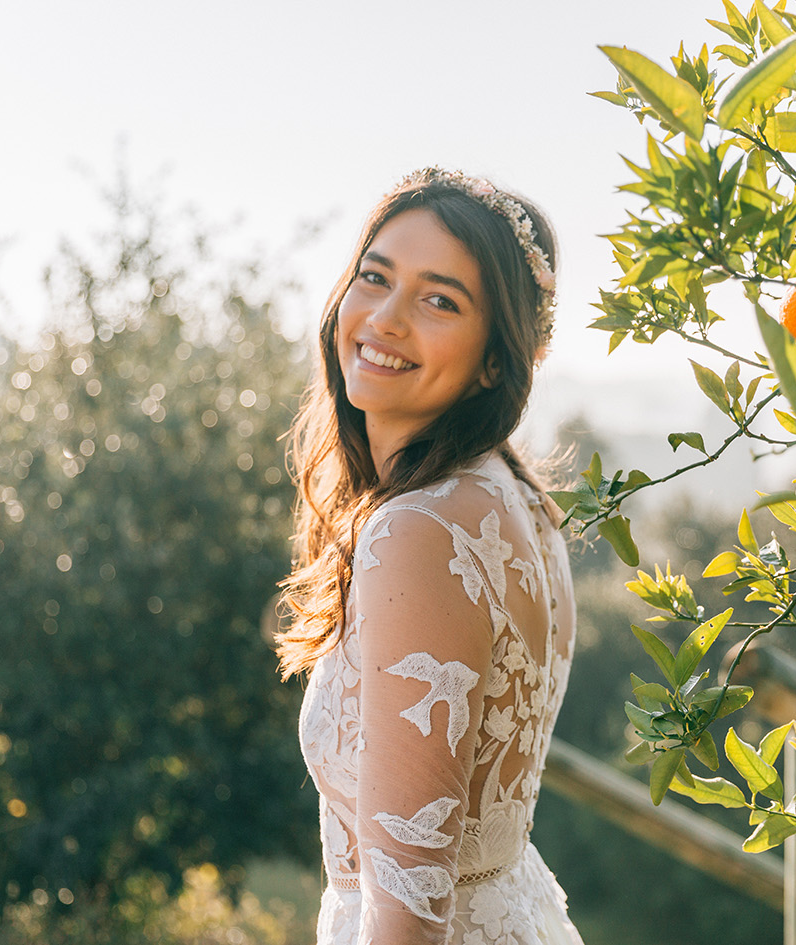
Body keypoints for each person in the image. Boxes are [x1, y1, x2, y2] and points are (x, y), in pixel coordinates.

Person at [276, 167, 582, 945]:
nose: (384, 318)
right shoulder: (512, 496)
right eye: (373, 278)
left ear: (493, 357)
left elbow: (409, 907)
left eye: (439, 299)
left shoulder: (417, 533)